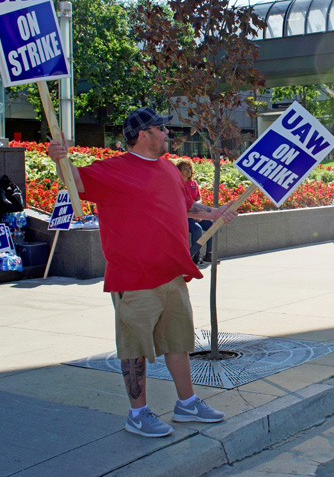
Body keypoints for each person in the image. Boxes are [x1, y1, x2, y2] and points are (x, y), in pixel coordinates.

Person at [47, 107, 238, 438]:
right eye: (161, 128)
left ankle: (187, 403)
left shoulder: (169, 169)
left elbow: (185, 205)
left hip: (173, 274)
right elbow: (74, 180)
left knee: (177, 343)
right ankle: (138, 414)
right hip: (133, 278)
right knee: (133, 348)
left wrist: (215, 212)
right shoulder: (113, 169)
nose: (167, 133)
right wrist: (58, 159)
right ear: (143, 134)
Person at [176, 159, 211, 264]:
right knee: (197, 229)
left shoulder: (194, 183)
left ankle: (209, 255)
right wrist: (192, 213)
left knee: (212, 226)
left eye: (189, 168)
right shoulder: (177, 184)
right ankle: (195, 257)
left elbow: (199, 199)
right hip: (184, 216)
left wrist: (197, 210)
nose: (188, 170)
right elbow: (180, 202)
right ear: (179, 171)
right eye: (185, 168)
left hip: (196, 213)